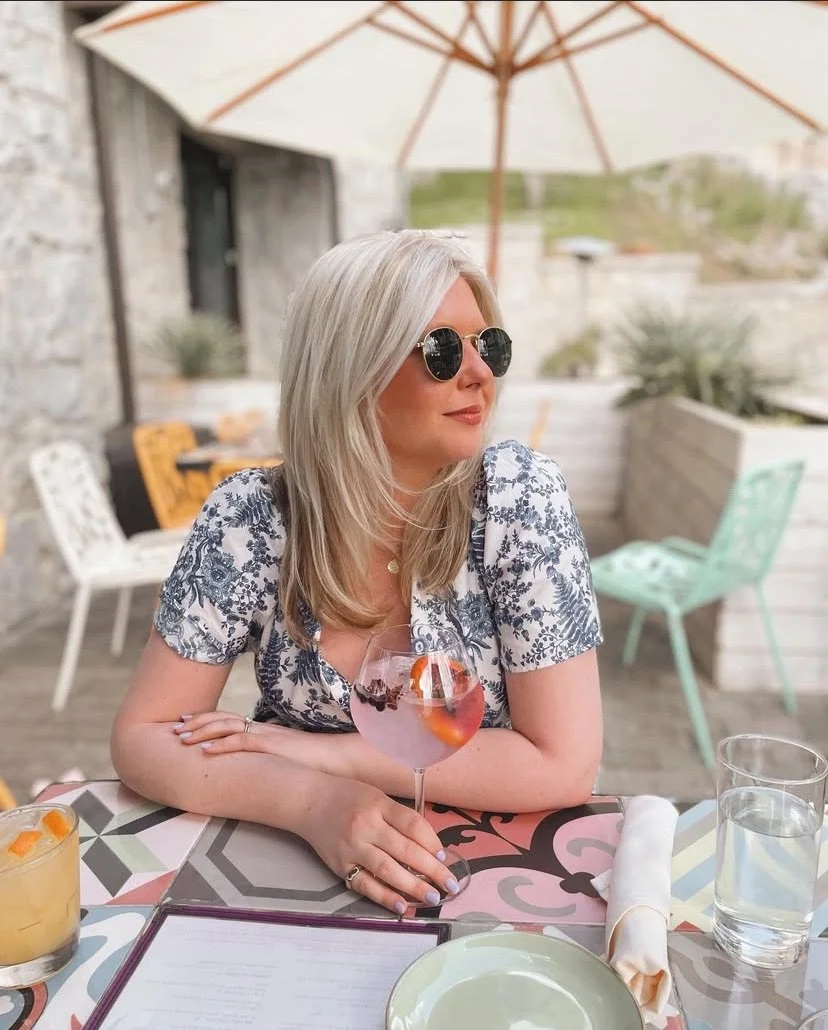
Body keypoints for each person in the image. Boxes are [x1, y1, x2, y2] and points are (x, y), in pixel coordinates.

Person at [113, 230, 604, 915]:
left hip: (488, 880)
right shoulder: (252, 518)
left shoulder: (517, 499)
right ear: (352, 371)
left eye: (488, 345)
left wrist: (328, 758)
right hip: (280, 862)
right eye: (441, 351)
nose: (480, 374)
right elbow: (142, 737)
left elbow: (563, 765)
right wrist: (311, 802)